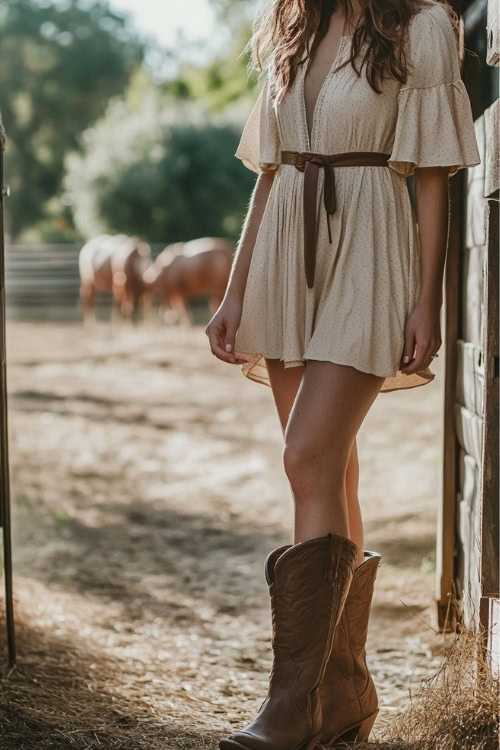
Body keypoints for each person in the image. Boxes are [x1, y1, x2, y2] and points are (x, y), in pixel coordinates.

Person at [205, 0, 480, 747]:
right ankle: (345, 690)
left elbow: (432, 177)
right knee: (333, 472)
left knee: (307, 455)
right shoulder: (291, 27)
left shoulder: (422, 25)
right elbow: (267, 174)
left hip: (368, 245)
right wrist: (234, 291)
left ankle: (292, 708)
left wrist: (430, 301)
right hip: (285, 251)